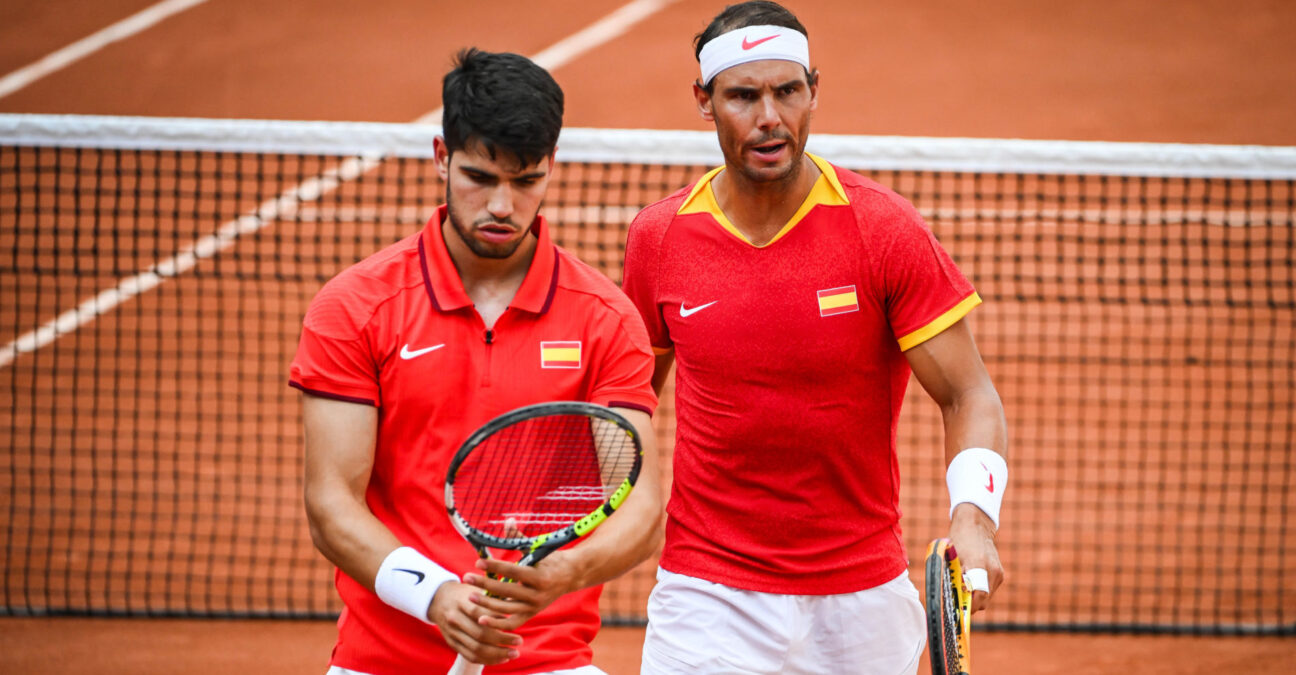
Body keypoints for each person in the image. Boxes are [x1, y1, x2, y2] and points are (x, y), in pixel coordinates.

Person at [620, 2, 1009, 673]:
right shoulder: (659, 239)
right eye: (743, 95)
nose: (769, 117)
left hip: (862, 597)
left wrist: (974, 513)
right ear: (704, 102)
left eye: (787, 91)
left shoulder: (882, 230)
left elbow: (968, 392)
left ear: (814, 90)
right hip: (708, 591)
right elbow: (626, 402)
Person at [290, 48, 662, 675]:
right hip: (380, 661)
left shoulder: (605, 317)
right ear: (441, 156)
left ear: (551, 168)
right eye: (480, 177)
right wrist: (433, 596)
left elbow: (642, 508)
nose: (501, 206)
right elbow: (331, 502)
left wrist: (557, 574)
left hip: (549, 661)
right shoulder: (357, 307)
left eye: (526, 181)